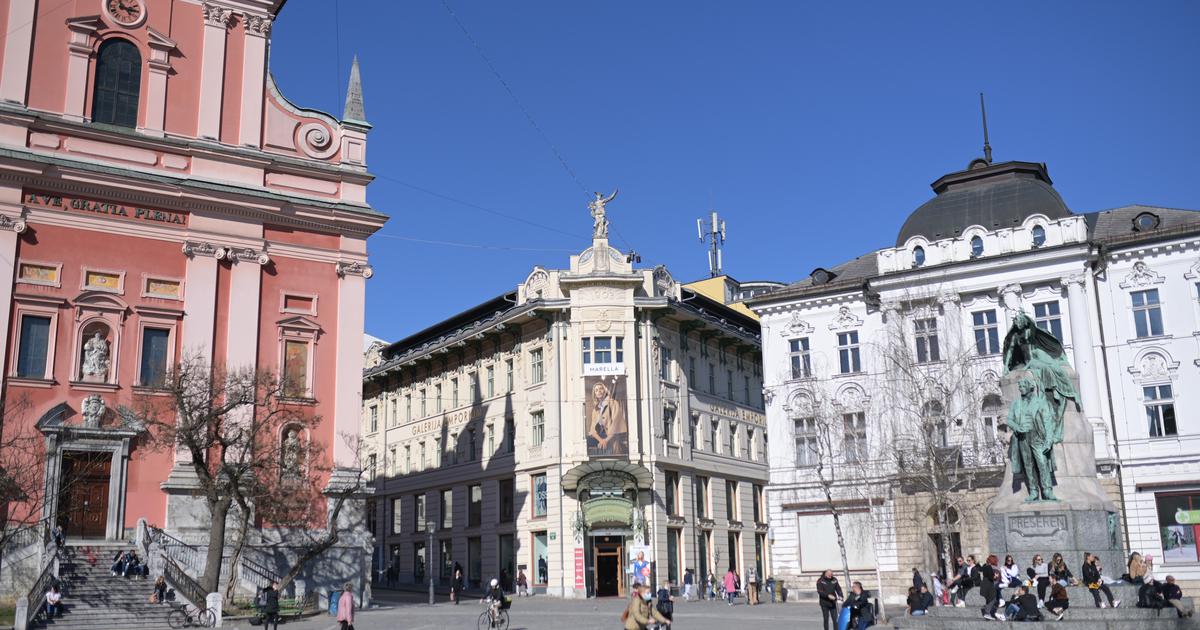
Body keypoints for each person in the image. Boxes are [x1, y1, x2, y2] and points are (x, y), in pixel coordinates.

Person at [980, 554, 1002, 620]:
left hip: (984, 585)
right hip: (990, 585)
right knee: (993, 598)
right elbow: (992, 578)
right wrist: (995, 577)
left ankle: (987, 612)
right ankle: (987, 613)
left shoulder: (985, 566)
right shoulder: (992, 568)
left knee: (989, 599)